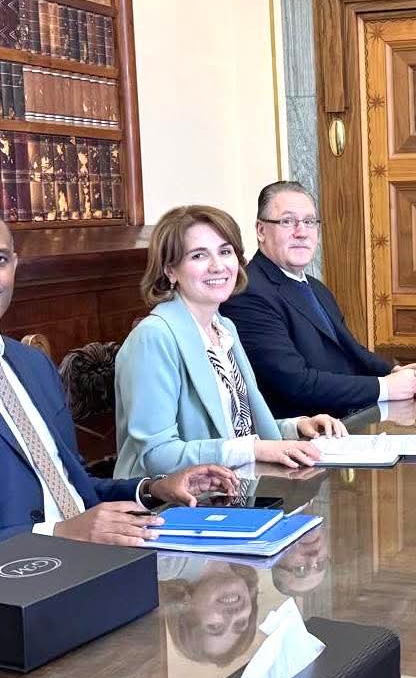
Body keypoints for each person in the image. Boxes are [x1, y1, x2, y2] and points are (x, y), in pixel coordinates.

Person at [0, 201, 237, 578]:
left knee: (232, 585)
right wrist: (57, 534)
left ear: (14, 266)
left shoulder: (31, 363)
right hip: (1, 592)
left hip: (92, 568)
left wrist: (152, 489)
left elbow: (71, 487)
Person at [114, 205, 346, 479]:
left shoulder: (223, 327)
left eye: (225, 252)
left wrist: (295, 427)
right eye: (199, 255)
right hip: (172, 498)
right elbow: (157, 455)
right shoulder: (153, 338)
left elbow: (234, 429)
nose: (218, 266)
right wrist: (255, 450)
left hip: (231, 484)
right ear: (170, 270)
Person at [220, 181, 416, 418]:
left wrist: (396, 373)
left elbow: (352, 352)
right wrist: (385, 387)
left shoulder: (316, 287)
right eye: (287, 221)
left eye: (309, 222)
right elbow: (294, 382)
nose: (301, 232)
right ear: (261, 230)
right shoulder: (247, 291)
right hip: (300, 433)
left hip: (345, 421)